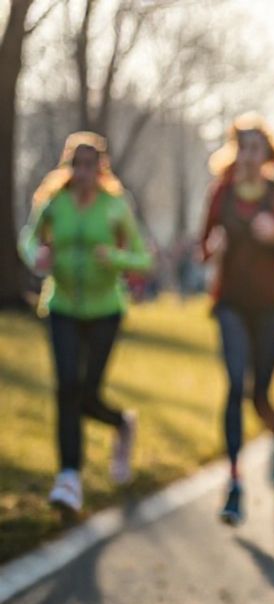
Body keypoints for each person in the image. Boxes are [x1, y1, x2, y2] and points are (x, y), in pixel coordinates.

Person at [18, 132, 153, 514]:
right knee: (67, 388)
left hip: (106, 310)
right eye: (76, 164)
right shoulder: (53, 203)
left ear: (101, 168)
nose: (82, 172)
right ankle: (69, 477)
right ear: (68, 167)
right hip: (61, 306)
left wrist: (115, 257)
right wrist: (37, 256)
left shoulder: (115, 207)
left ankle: (122, 424)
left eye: (89, 165)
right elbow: (28, 238)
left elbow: (144, 259)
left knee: (88, 394)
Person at [199, 113, 274, 526]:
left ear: (267, 154)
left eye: (255, 148)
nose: (248, 156)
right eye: (242, 147)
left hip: (270, 307)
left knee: (259, 395)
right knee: (234, 385)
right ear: (234, 152)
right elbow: (202, 250)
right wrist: (213, 249)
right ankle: (234, 483)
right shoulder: (221, 195)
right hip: (230, 303)